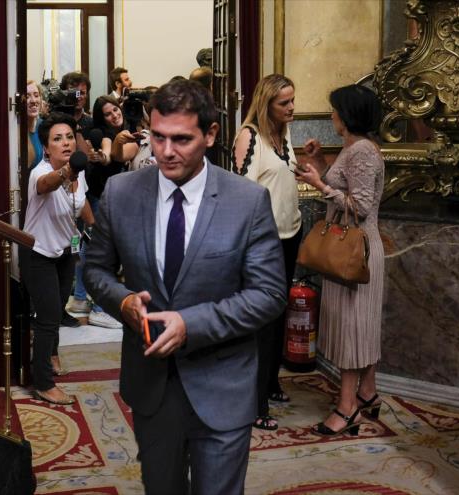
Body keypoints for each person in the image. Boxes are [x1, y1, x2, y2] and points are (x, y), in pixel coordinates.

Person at [84, 80, 286, 494]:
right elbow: (95, 269)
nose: (165, 152)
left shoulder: (246, 202)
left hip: (223, 384)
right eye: (157, 137)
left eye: (181, 139)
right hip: (152, 386)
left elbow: (268, 295)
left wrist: (190, 324)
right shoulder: (122, 193)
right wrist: (122, 301)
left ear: (210, 136)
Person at [294, 84, 385, 437]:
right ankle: (367, 392)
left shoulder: (362, 150)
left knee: (352, 328)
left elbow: (360, 207)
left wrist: (318, 184)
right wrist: (320, 164)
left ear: (346, 114)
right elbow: (346, 186)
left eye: (334, 109)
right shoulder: (356, 148)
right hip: (353, 251)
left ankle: (348, 409)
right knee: (361, 325)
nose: (331, 114)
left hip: (356, 253)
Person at [232, 74, 302, 431]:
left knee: (279, 314)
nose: (291, 108)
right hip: (263, 241)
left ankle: (271, 384)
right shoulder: (249, 136)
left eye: (292, 100)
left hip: (291, 233)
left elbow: (281, 178)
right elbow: (243, 197)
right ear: (266, 104)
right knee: (263, 322)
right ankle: (255, 403)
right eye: (284, 103)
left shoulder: (283, 133)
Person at [21, 112, 94, 404]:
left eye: (68, 137)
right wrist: (66, 172)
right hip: (38, 254)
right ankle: (42, 382)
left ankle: (51, 355)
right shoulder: (40, 173)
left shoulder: (80, 174)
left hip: (65, 251)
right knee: (48, 316)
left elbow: (83, 204)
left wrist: (98, 231)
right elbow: (47, 185)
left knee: (59, 309)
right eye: (57, 139)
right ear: (46, 148)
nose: (65, 143)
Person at [67, 96, 131, 329]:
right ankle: (98, 307)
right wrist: (102, 157)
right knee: (99, 250)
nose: (114, 115)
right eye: (108, 113)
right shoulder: (105, 134)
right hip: (100, 197)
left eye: (115, 109)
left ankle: (81, 299)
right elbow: (107, 155)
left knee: (89, 247)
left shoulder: (127, 128)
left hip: (106, 196)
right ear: (100, 118)